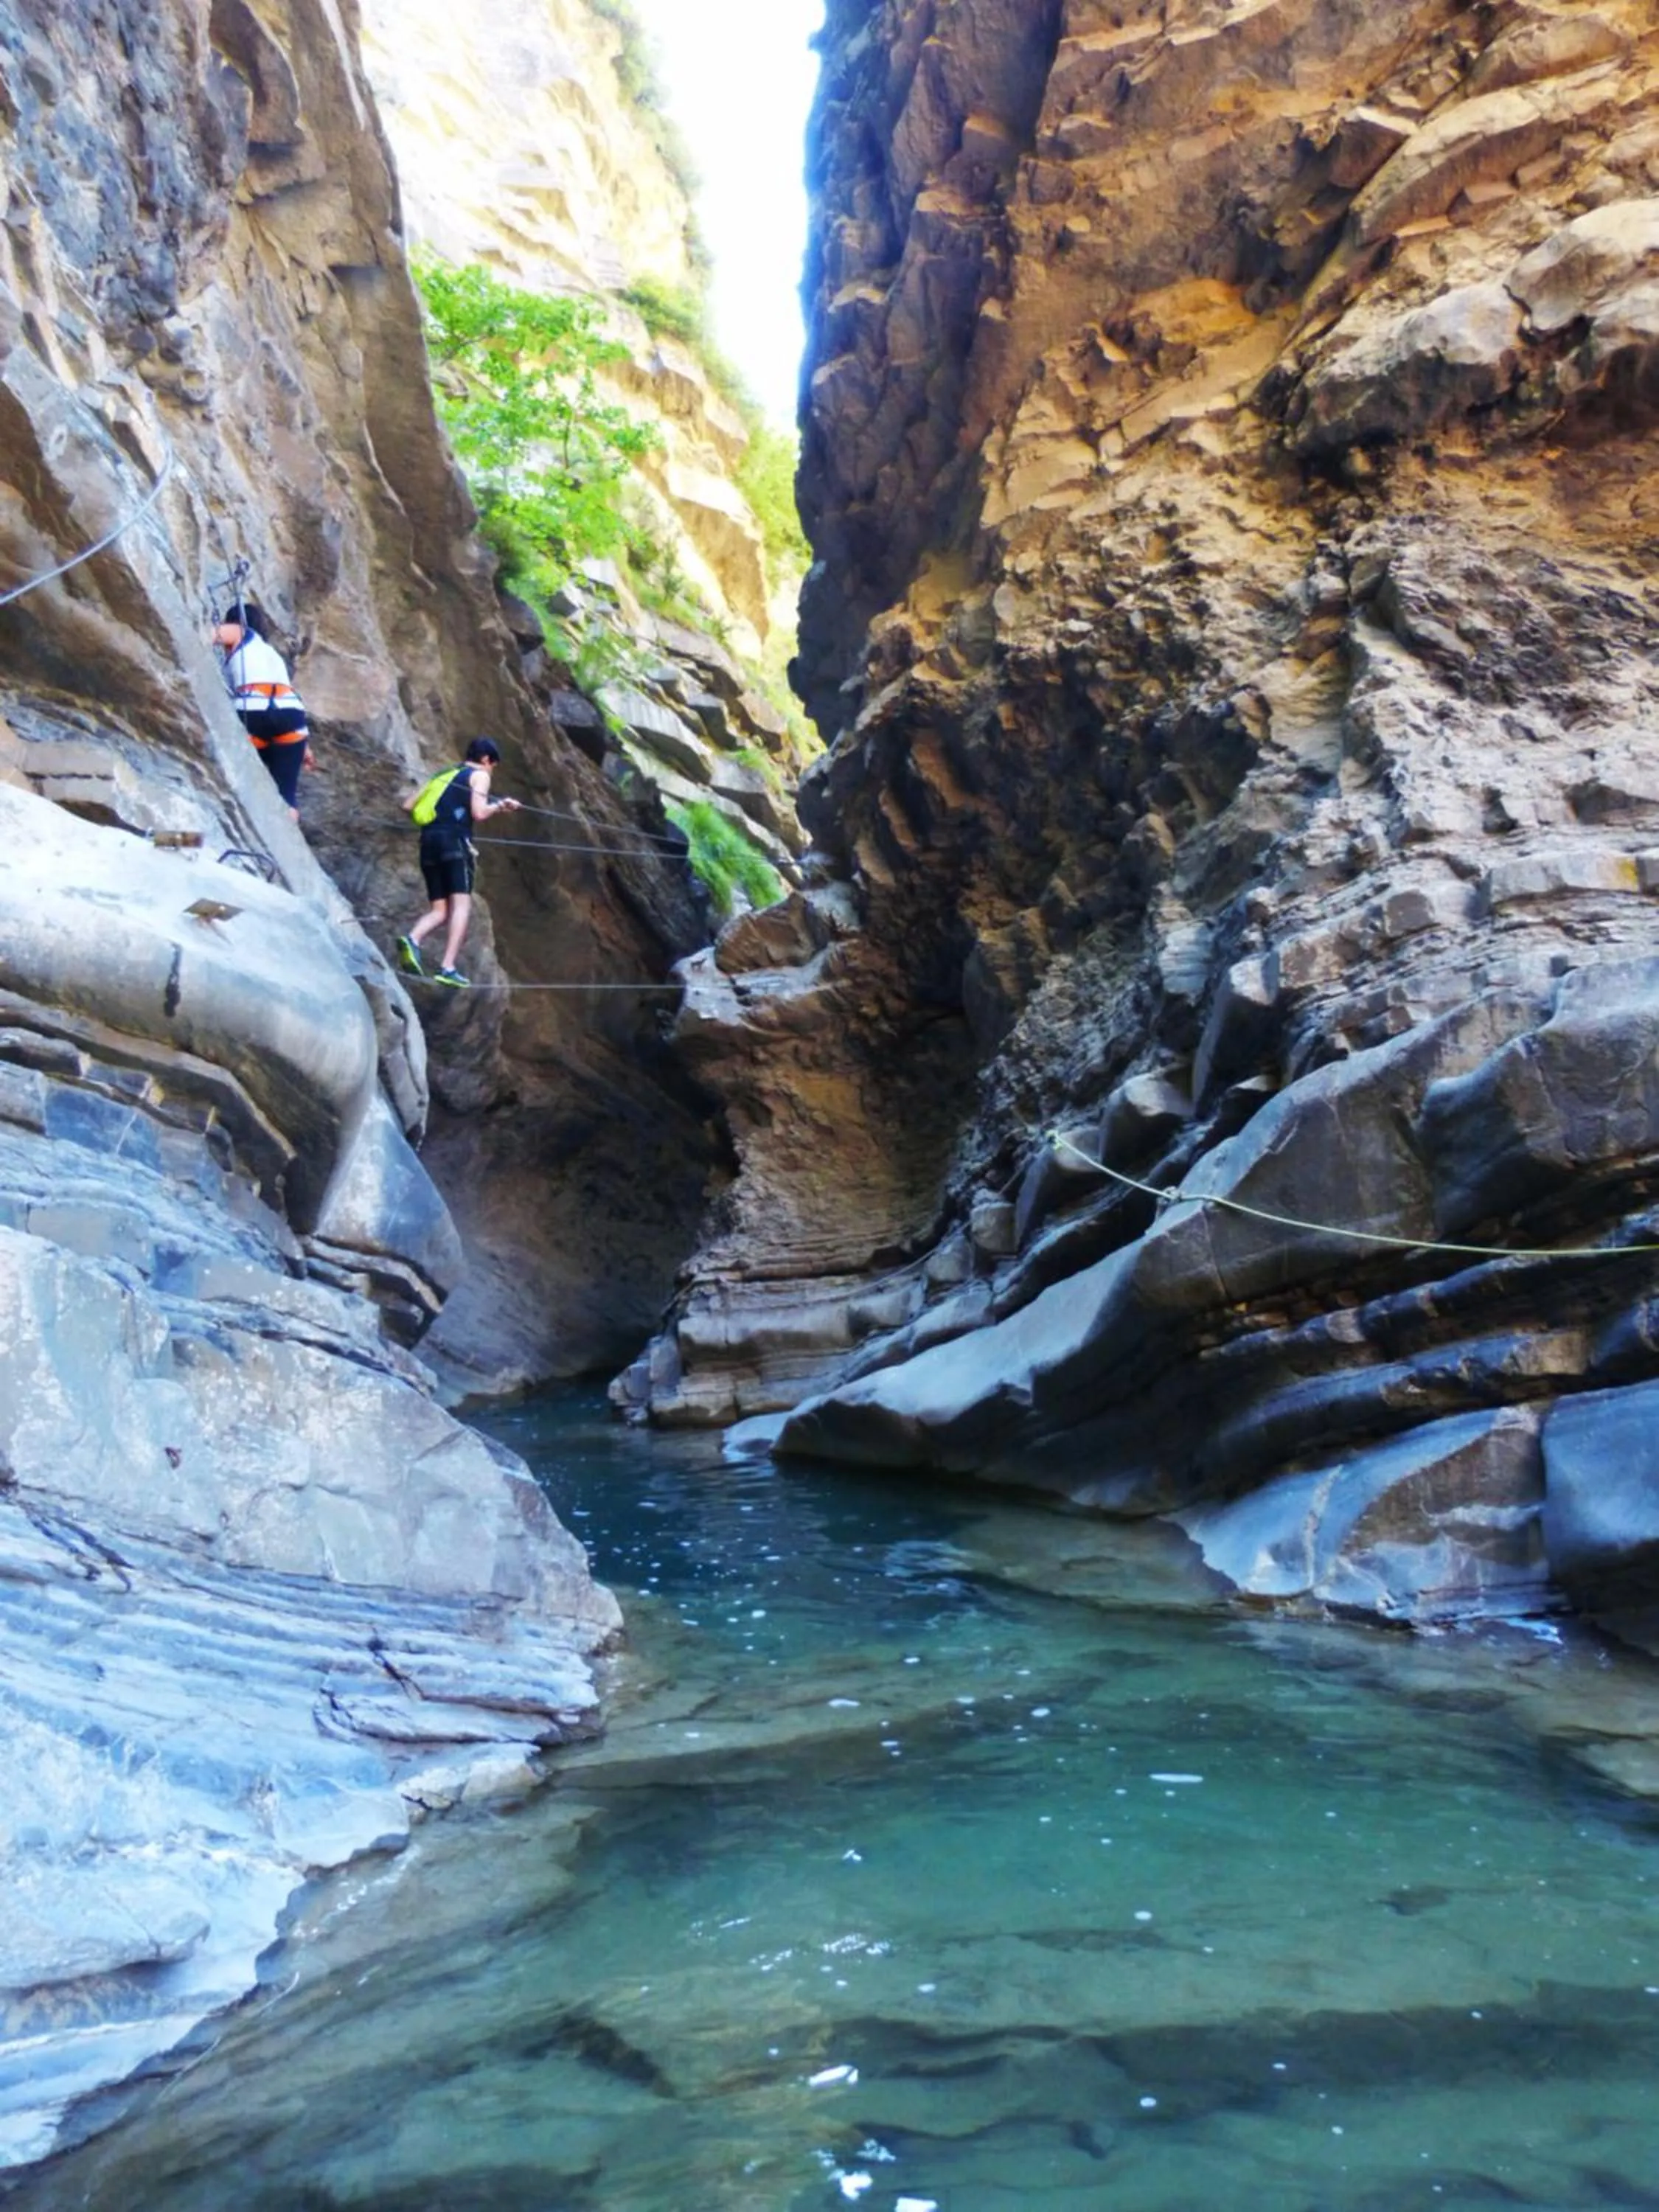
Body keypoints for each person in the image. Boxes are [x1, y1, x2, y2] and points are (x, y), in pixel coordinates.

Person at [397, 737, 521, 988]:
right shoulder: (480, 776)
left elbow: (408, 804)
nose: (491, 772)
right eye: (493, 766)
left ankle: (413, 939)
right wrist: (501, 806)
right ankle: (448, 967)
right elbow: (479, 812)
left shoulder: (445, 774)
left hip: (429, 843)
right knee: (461, 905)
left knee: (439, 910)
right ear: (486, 759)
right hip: (455, 843)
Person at [212, 602, 310, 821]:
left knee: (239, 771)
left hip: (254, 713)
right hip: (292, 721)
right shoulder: (271, 655)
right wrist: (305, 747)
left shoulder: (241, 632)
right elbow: (286, 692)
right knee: (286, 796)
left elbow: (210, 635)